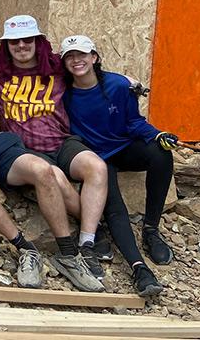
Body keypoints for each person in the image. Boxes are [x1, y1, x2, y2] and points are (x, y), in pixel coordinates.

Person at [0, 32, 103, 292]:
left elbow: (80, 65)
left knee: (43, 169)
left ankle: (68, 254)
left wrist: (121, 79)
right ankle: (26, 248)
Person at [0, 15, 110, 280]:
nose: (21, 46)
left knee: (96, 166)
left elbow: (86, 68)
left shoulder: (55, 64)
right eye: (14, 42)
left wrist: (126, 81)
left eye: (27, 39)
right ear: (6, 45)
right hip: (25, 150)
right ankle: (98, 230)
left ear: (38, 41)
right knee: (58, 180)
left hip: (62, 141)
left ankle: (86, 242)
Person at [61, 34, 173, 297]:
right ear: (64, 63)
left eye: (82, 54)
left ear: (94, 57)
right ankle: (140, 269)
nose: (77, 60)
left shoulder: (117, 85)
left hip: (122, 147)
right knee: (115, 208)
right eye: (70, 57)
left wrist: (157, 134)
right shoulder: (62, 92)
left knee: (161, 154)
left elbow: (133, 122)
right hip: (96, 157)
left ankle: (151, 229)